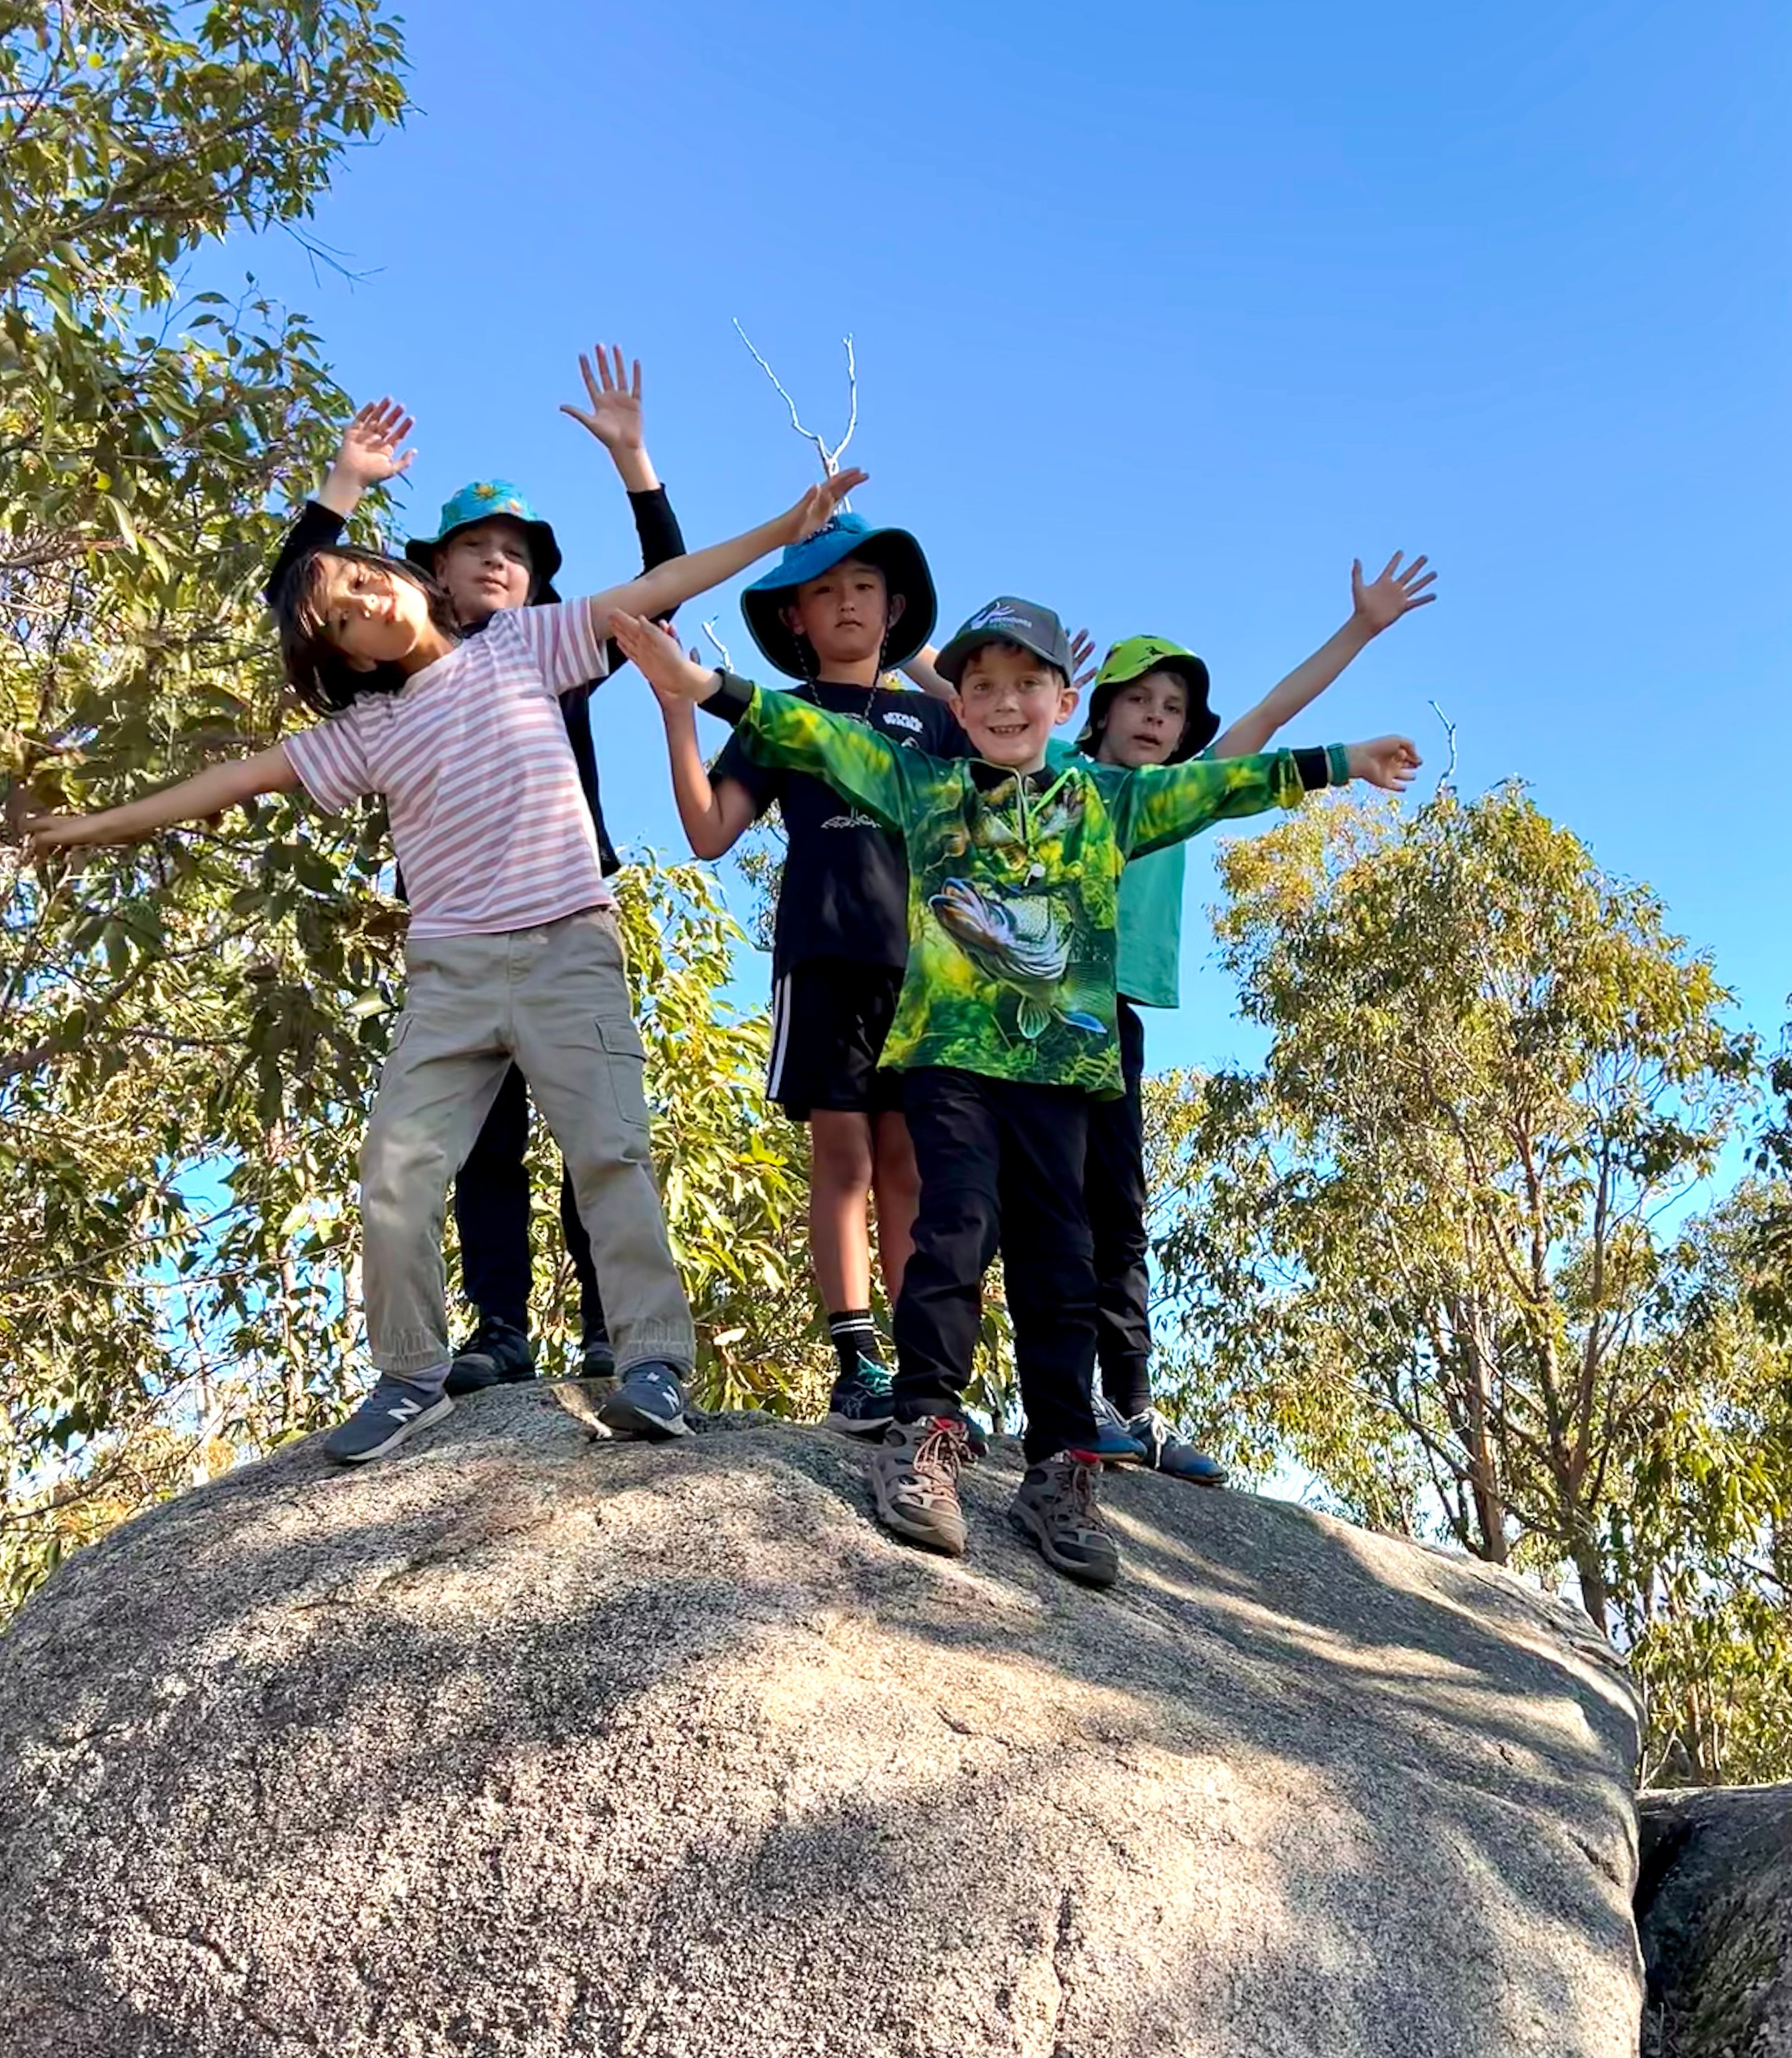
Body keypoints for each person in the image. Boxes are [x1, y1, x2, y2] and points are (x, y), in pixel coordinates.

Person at [26, 469, 865, 1464]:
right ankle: (412, 1373)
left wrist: (783, 524)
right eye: (342, 614)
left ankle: (651, 1361)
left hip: (566, 945)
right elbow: (234, 782)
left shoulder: (523, 642)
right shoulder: (369, 730)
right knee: (396, 1175)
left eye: (362, 578)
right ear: (342, 655)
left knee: (609, 1155)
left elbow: (662, 584)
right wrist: (92, 824)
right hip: (451, 974)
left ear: (404, 577)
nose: (364, 599)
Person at [614, 597, 1419, 1588]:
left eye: (1024, 684)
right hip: (949, 1056)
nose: (1002, 702)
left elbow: (1226, 784)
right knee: (955, 1227)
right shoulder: (921, 784)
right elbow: (814, 734)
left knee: (1062, 1262)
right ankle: (922, 1430)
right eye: (981, 685)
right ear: (957, 700)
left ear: (1061, 698)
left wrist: (1341, 761)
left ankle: (1060, 1468)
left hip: (1064, 1068)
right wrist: (705, 688)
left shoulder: (1107, 801)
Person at [264, 349, 682, 1394]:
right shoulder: (391, 681)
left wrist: (636, 463)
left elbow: (661, 595)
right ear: (428, 573)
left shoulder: (551, 649)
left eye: (515, 550)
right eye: (473, 546)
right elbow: (301, 602)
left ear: (536, 578)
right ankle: (500, 1327)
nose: (496, 560)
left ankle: (608, 1330)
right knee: (480, 1146)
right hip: (454, 929)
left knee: (597, 1137)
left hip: (562, 914)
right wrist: (339, 492)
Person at [1075, 551, 1439, 1482]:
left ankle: (1132, 1406)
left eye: (1171, 708)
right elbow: (968, 712)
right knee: (1043, 1208)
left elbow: (1272, 718)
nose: (1156, 718)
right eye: (1138, 700)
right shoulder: (1051, 778)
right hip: (1036, 1007)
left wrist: (1359, 629)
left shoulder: (1186, 793)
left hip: (1113, 1014)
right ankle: (1061, 1397)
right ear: (1100, 710)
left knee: (1119, 1213)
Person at [656, 506, 964, 1436]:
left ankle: (924, 1367)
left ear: (895, 605)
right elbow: (711, 832)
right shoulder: (777, 716)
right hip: (825, 953)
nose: (843, 603)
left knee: (912, 1162)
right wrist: (678, 712)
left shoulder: (935, 719)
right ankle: (856, 1361)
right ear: (791, 616)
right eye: (822, 589)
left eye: (863, 586)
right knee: (843, 1155)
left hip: (926, 967)